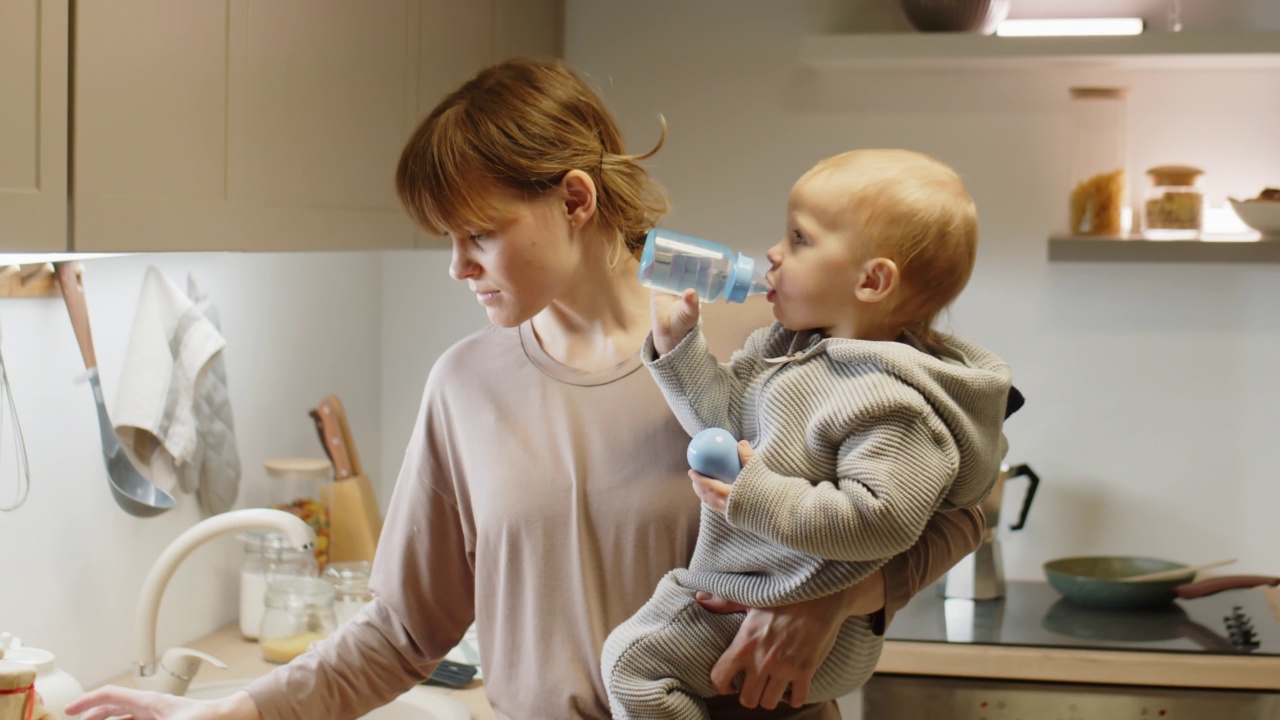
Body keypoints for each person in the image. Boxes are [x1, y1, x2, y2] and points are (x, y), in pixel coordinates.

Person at [66, 60, 985, 720]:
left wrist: (836, 601)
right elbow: (398, 636)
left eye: (479, 235)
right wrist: (219, 715)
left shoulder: (765, 348)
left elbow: (955, 507)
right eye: (447, 241)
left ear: (576, 201)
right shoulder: (465, 386)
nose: (458, 268)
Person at [601, 148, 1016, 718]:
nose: (773, 252)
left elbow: (881, 518)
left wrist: (756, 495)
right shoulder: (785, 350)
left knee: (633, 670)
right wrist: (680, 349)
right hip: (749, 589)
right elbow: (722, 419)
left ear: (872, 281)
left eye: (800, 238)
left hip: (802, 606)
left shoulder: (896, 404)